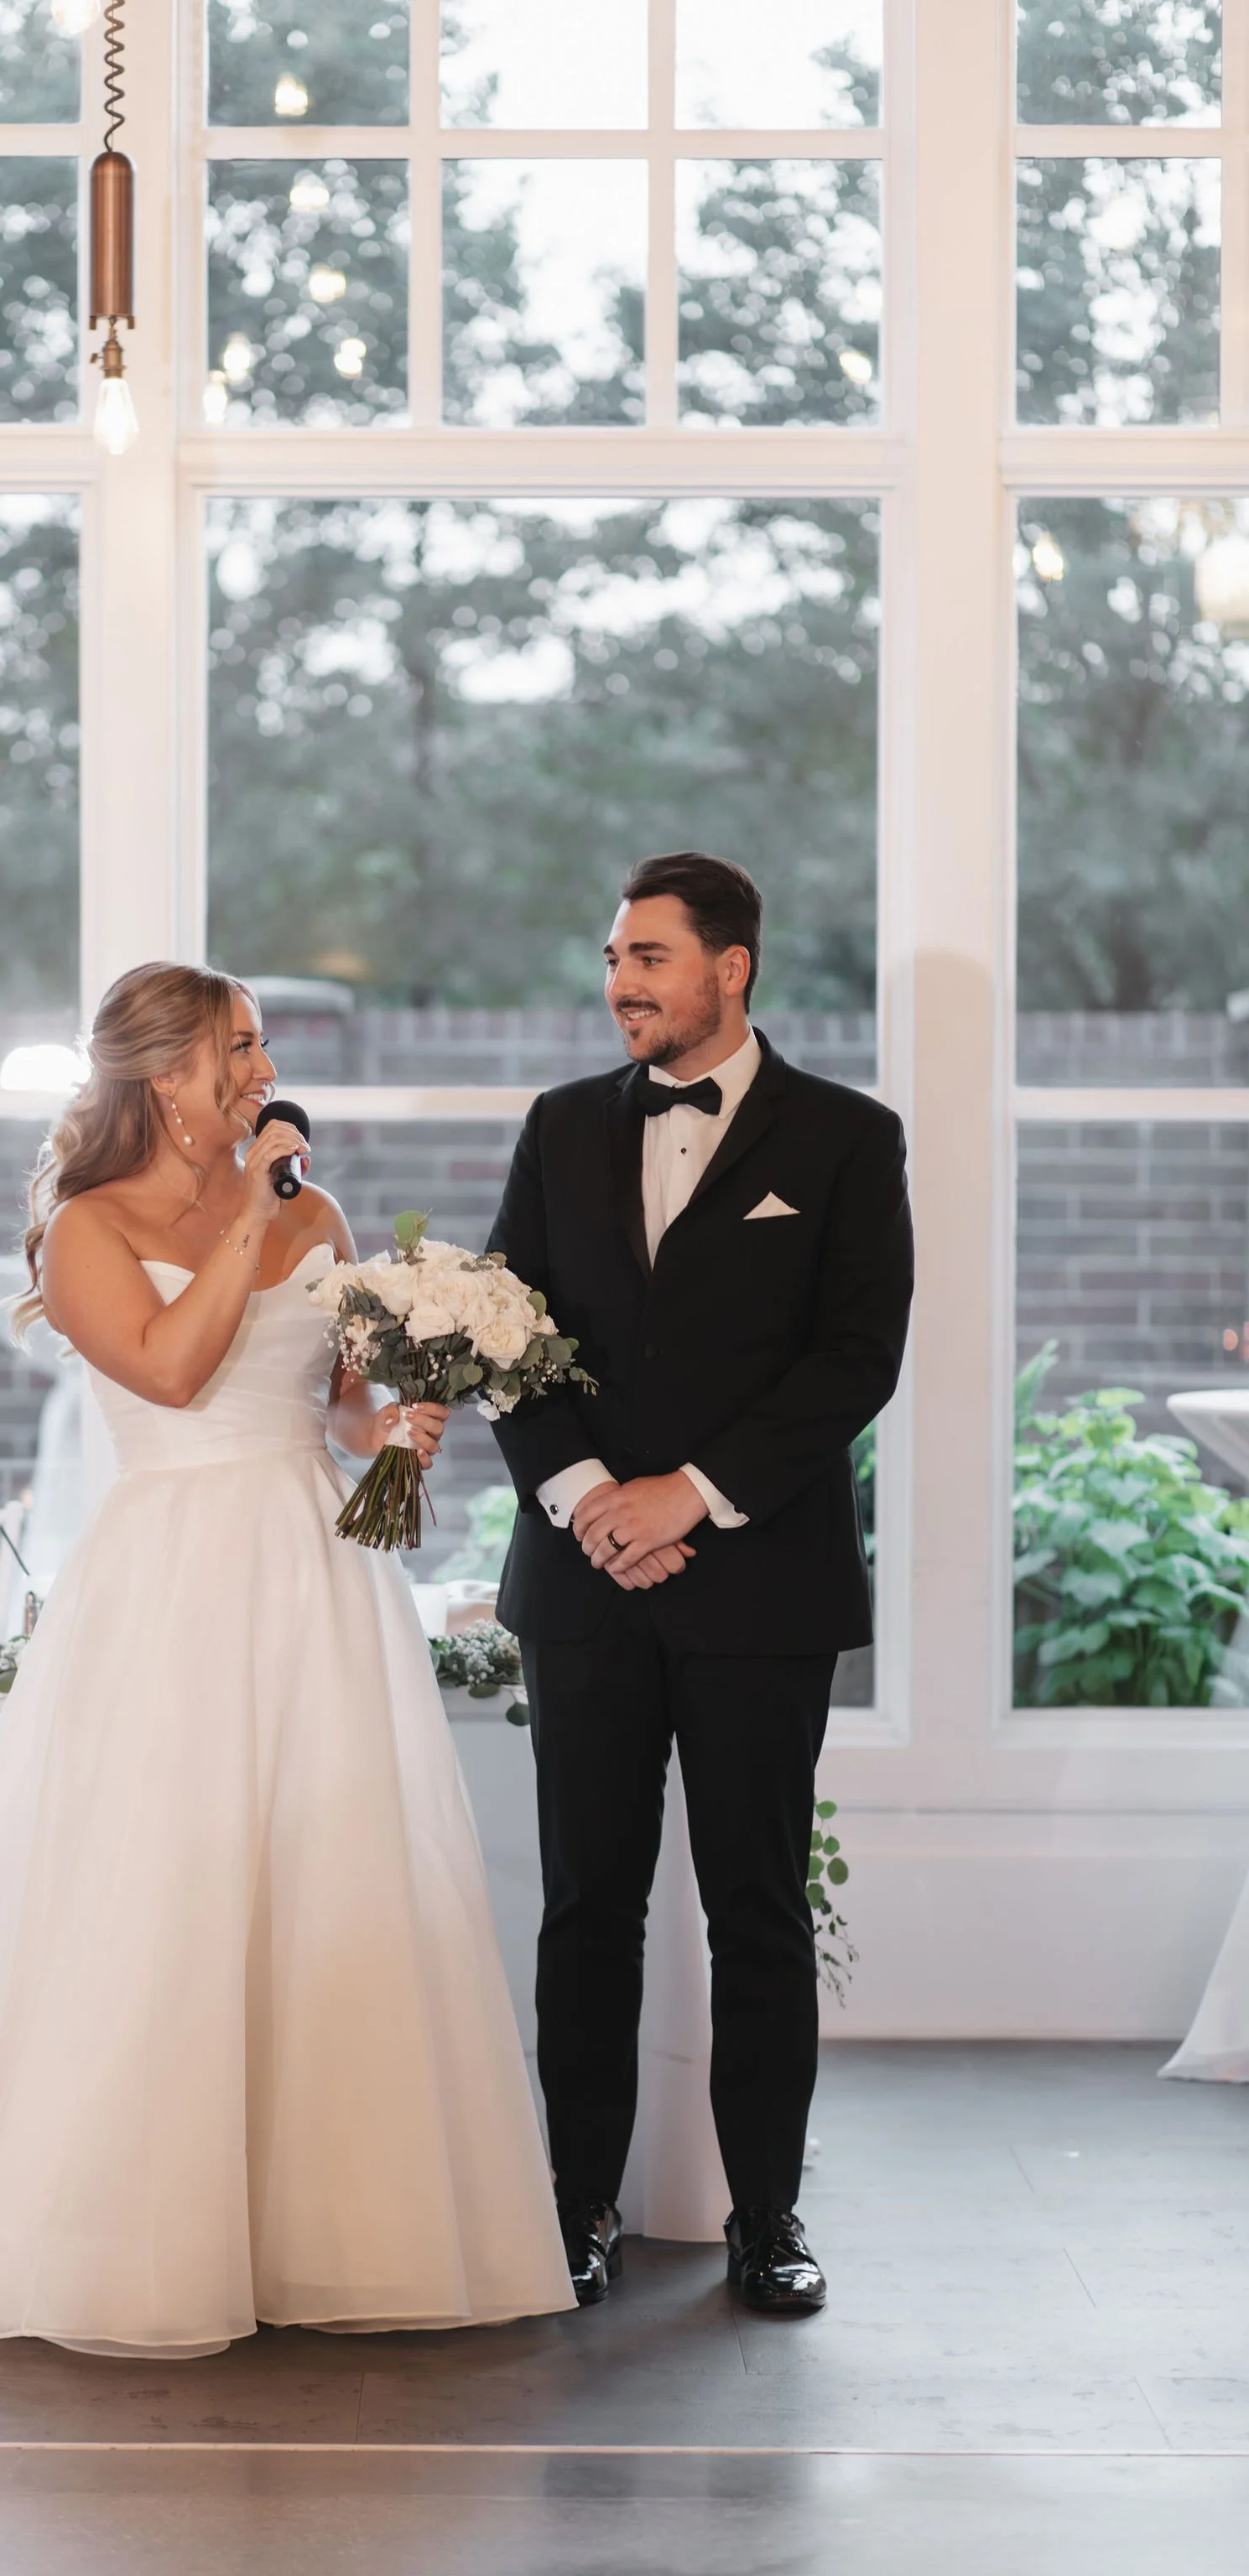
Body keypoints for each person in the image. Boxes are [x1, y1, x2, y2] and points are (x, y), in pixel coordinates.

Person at [0, 962, 574, 2355]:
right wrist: (249, 1214)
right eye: (233, 1048)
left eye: (258, 1045)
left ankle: (322, 2225)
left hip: (316, 1575)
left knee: (327, 1871)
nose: (260, 1068)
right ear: (161, 1073)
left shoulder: (318, 1208)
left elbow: (337, 1408)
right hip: (175, 1580)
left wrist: (398, 1432)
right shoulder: (88, 1228)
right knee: (170, 1883)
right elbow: (178, 1374)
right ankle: (140, 2230)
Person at [487, 852, 913, 2316]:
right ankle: (575, 2211)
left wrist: (696, 1495)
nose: (621, 982)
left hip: (761, 1588)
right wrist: (596, 1500)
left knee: (756, 1910)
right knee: (586, 1908)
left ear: (731, 967)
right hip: (585, 1577)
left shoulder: (853, 1139)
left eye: (651, 957)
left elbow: (857, 1359)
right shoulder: (555, 1130)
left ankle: (769, 2222)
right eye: (613, 956)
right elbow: (499, 1337)